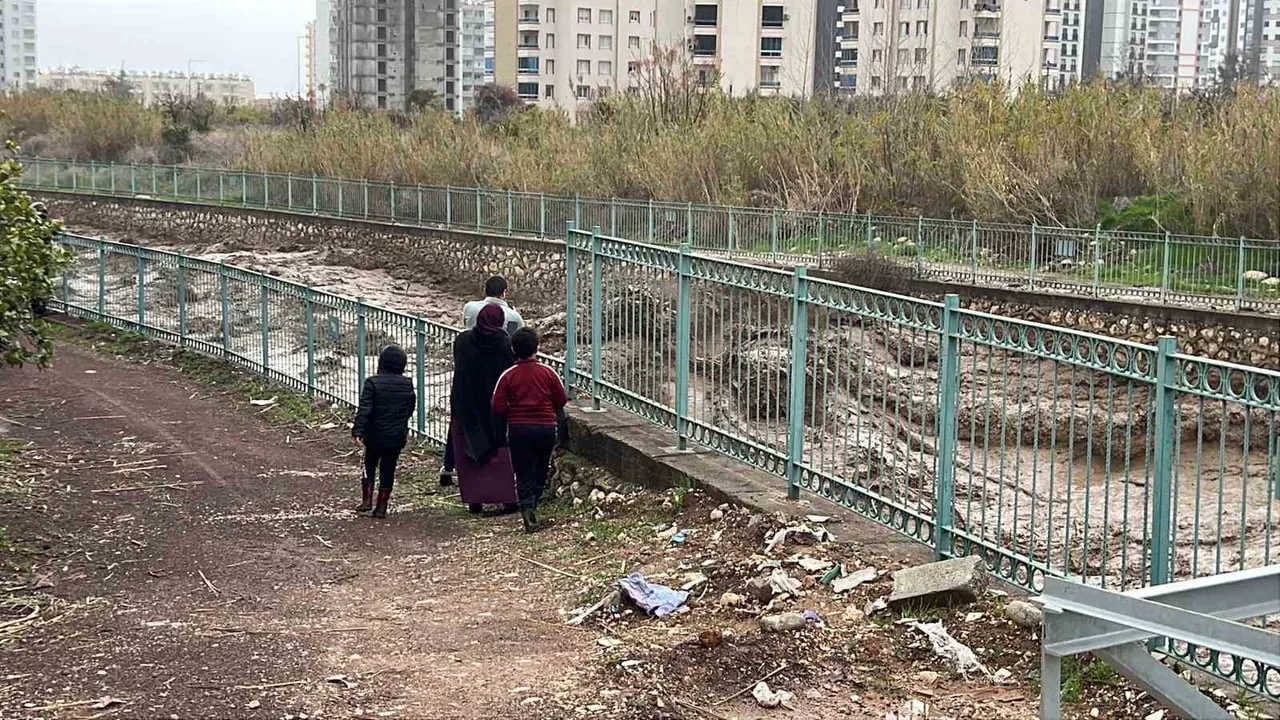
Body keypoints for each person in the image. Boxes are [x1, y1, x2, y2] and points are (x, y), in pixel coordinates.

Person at [443, 275, 523, 485]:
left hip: (466, 394)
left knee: (463, 433)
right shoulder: (509, 331)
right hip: (495, 396)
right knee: (497, 439)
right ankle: (498, 483)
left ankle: (451, 468)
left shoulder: (465, 329)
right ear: (504, 292)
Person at [491, 327, 568, 533]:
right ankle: (533, 502)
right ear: (537, 348)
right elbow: (561, 399)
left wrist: (511, 410)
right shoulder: (548, 373)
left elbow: (497, 406)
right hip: (545, 428)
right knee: (541, 468)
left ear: (513, 350)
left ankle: (527, 509)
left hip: (519, 429)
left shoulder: (508, 376)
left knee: (523, 471)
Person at [449, 303, 518, 514]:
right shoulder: (506, 344)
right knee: (501, 452)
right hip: (495, 405)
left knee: (470, 451)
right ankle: (506, 499)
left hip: (466, 403)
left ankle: (474, 500)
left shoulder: (462, 341)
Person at [351, 345, 417, 519]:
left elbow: (365, 409)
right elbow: (410, 408)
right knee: (389, 469)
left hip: (374, 435)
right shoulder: (407, 384)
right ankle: (381, 507)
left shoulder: (372, 383)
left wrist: (359, 431)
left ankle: (366, 500)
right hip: (396, 436)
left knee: (369, 464)